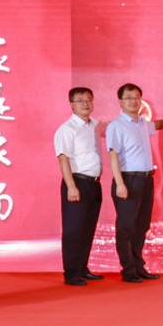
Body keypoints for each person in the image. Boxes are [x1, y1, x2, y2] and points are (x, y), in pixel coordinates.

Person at [105, 82, 163, 283]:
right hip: (128, 180)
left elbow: (158, 125)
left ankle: (138, 266)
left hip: (146, 179)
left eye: (136, 97)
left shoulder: (142, 122)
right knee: (126, 227)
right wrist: (120, 183)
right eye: (128, 98)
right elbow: (112, 155)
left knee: (141, 226)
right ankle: (128, 270)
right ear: (120, 101)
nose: (133, 101)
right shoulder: (116, 125)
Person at [54, 86, 103, 287]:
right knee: (73, 230)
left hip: (94, 183)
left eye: (89, 100)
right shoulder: (67, 129)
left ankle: (82, 268)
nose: (86, 104)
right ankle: (71, 272)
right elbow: (63, 158)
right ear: (72, 105)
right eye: (80, 100)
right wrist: (71, 186)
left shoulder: (95, 125)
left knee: (88, 228)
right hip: (76, 182)